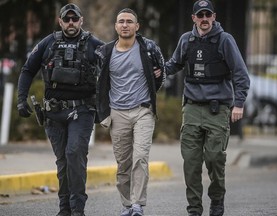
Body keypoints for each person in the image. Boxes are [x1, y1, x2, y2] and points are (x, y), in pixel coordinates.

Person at [17, 3, 104, 216]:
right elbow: (28, 70)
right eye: (67, 19)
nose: (71, 23)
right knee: (63, 161)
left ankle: (77, 210)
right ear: (61, 21)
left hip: (82, 111)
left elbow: (114, 69)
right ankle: (64, 209)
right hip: (53, 113)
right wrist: (21, 100)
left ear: (81, 20)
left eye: (75, 19)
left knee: (75, 153)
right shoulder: (48, 43)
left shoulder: (94, 44)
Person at [165, 1, 250, 216]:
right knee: (191, 164)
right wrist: (159, 71)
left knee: (214, 159)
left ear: (214, 16)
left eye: (207, 15)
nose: (204, 19)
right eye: (200, 15)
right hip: (192, 109)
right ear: (193, 18)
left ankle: (217, 199)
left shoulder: (224, 40)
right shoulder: (186, 40)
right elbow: (174, 64)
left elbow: (241, 74)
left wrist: (238, 103)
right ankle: (194, 209)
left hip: (217, 109)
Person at [95, 8, 165, 216]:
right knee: (123, 163)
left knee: (140, 157)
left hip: (143, 110)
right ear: (116, 26)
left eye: (129, 22)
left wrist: (155, 82)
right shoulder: (106, 52)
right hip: (118, 114)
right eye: (121, 21)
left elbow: (160, 74)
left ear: (137, 26)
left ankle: (138, 205)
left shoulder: (149, 48)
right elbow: (101, 83)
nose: (125, 25)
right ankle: (127, 204)